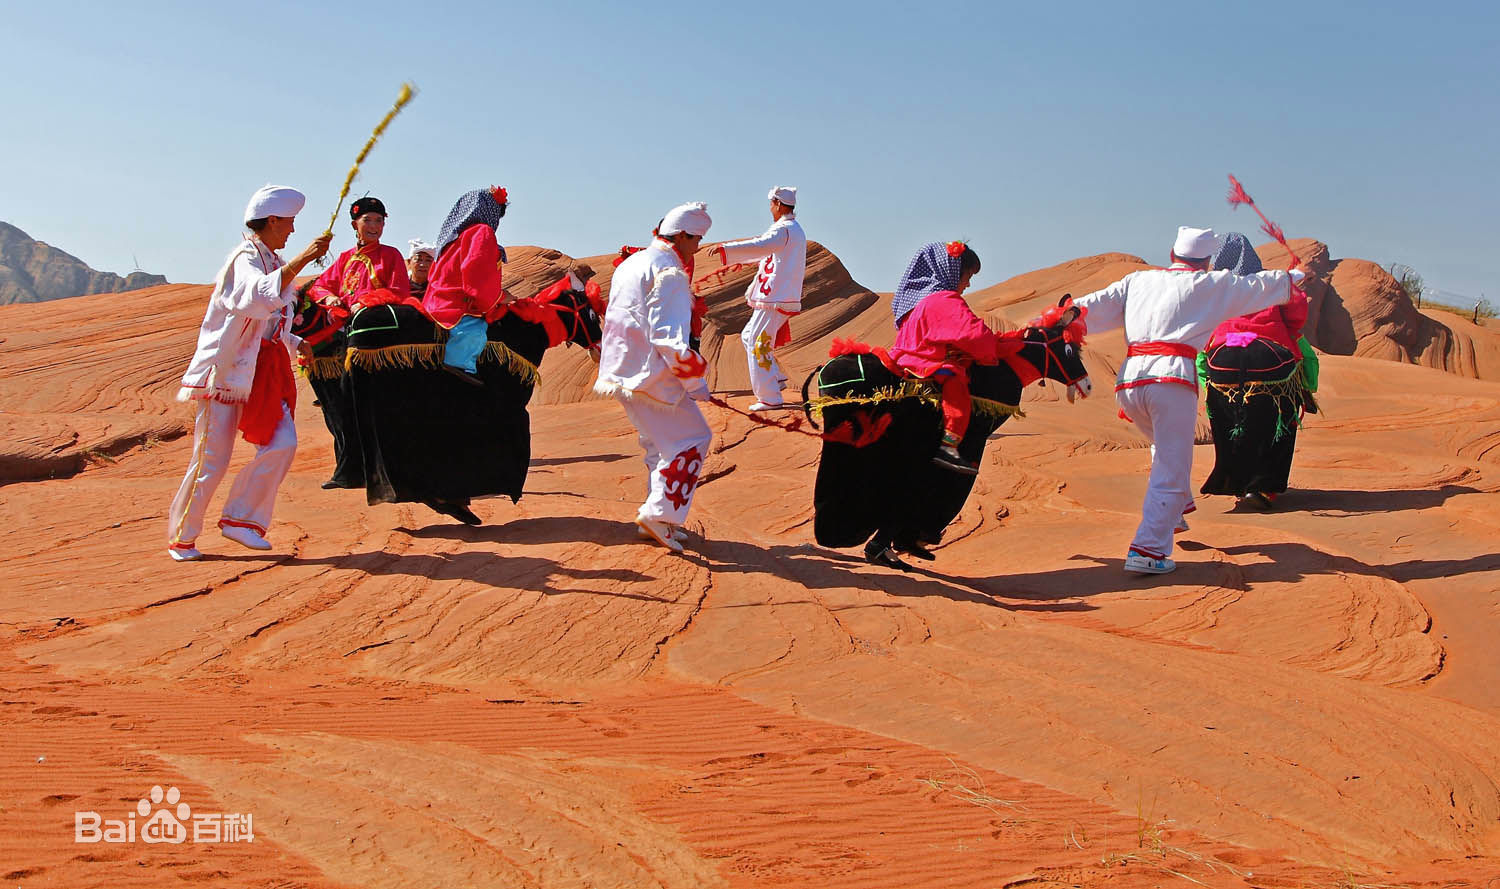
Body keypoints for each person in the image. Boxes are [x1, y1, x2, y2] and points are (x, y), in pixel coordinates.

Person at [1076, 226, 1303, 576]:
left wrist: (1054, 319)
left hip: (1129, 381)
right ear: (1207, 261)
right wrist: (1291, 280)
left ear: (1172, 254)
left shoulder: (1138, 280)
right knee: (1172, 462)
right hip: (1170, 380)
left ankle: (1176, 509)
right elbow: (1255, 286)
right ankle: (1148, 550)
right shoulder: (1209, 284)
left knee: (1162, 448)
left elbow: (1089, 309)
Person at [166, 185, 332, 561]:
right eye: (289, 222)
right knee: (213, 459)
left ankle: (240, 520)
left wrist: (293, 340)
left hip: (263, 374)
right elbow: (254, 300)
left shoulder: (270, 260)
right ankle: (182, 536)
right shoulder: (246, 258)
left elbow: (268, 322)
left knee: (283, 443)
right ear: (272, 221)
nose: (292, 230)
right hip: (225, 375)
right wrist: (303, 259)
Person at [594, 202, 714, 553]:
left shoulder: (633, 262)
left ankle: (656, 517)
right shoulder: (671, 273)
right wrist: (696, 383)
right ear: (680, 236)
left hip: (621, 370)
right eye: (696, 240)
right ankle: (659, 515)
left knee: (657, 444)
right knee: (693, 437)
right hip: (651, 374)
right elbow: (668, 338)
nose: (698, 248)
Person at [1197, 232, 1311, 508]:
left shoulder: (1212, 289)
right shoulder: (1270, 283)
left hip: (1222, 361)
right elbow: (1297, 316)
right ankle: (1263, 486)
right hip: (1271, 358)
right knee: (1281, 417)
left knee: (1230, 420)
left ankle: (1233, 480)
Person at [300, 196, 408, 489]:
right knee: (335, 407)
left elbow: (398, 291)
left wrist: (366, 301)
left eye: (379, 220)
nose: (374, 226)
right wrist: (330, 297)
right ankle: (347, 469)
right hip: (337, 333)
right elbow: (320, 285)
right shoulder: (345, 257)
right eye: (368, 221)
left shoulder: (391, 255)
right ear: (354, 225)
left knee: (362, 408)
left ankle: (365, 471)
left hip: (369, 338)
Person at [887, 240, 998, 475]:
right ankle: (949, 446)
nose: (968, 283)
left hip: (907, 358)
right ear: (952, 271)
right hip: (923, 362)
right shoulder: (943, 300)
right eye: (967, 275)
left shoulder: (922, 300)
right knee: (955, 378)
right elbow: (975, 336)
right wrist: (993, 349)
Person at [715, 186, 806, 411]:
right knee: (749, 336)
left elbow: (760, 246)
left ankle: (769, 397)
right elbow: (764, 252)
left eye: (771, 203)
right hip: (777, 295)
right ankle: (774, 377)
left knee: (758, 343)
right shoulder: (790, 229)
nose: (769, 208)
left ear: (777, 203)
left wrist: (727, 249)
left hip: (775, 296)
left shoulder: (784, 230)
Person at [424, 186, 511, 385]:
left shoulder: (454, 236)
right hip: (455, 303)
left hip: (435, 300)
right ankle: (460, 364)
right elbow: (476, 274)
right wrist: (497, 297)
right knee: (475, 330)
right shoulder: (481, 232)